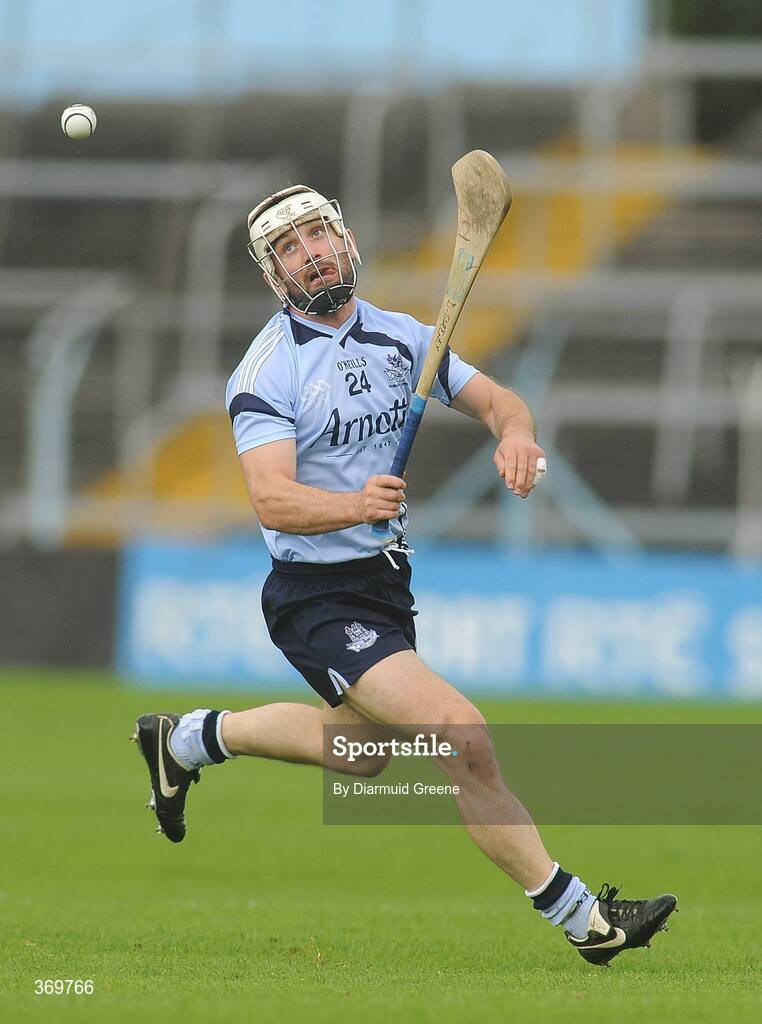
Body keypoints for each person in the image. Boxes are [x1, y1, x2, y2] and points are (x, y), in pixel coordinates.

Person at [131, 184, 677, 967]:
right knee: (464, 739)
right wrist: (356, 503)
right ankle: (585, 918)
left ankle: (184, 739)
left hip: (385, 584)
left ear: (346, 241)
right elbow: (271, 498)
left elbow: (499, 400)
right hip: (315, 597)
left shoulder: (403, 338)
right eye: (288, 248)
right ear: (273, 278)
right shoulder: (266, 373)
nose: (310, 252)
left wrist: (515, 436)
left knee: (364, 755)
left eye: (318, 234)